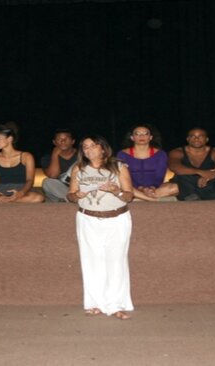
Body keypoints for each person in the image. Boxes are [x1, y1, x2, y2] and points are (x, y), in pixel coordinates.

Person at [66, 135, 134, 320]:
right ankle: (94, 303)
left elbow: (129, 196)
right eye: (85, 147)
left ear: (103, 148)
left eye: (92, 146)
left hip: (117, 218)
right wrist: (76, 195)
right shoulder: (79, 169)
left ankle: (115, 304)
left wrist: (116, 191)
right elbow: (70, 195)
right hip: (88, 219)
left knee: (116, 261)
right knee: (91, 261)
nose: (88, 150)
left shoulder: (118, 167)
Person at [168, 128, 215, 200]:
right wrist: (200, 172)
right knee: (182, 174)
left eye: (201, 136)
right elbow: (174, 167)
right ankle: (191, 197)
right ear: (188, 139)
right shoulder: (177, 152)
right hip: (188, 186)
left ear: (206, 139)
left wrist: (212, 174)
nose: (196, 139)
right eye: (193, 136)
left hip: (209, 184)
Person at [116, 124, 179, 201]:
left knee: (175, 188)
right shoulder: (122, 154)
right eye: (137, 134)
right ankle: (152, 198)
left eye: (146, 134)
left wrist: (152, 187)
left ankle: (142, 197)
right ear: (132, 137)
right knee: (123, 187)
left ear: (150, 137)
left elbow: (160, 176)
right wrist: (141, 188)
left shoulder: (160, 154)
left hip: (154, 189)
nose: (142, 136)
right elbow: (124, 177)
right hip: (132, 188)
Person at [41, 129, 77, 202]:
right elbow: (53, 175)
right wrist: (55, 154)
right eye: (59, 139)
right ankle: (72, 200)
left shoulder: (82, 155)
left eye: (66, 139)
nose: (63, 141)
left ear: (73, 141)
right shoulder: (47, 157)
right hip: (62, 189)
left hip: (79, 188)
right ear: (54, 142)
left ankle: (69, 200)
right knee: (47, 182)